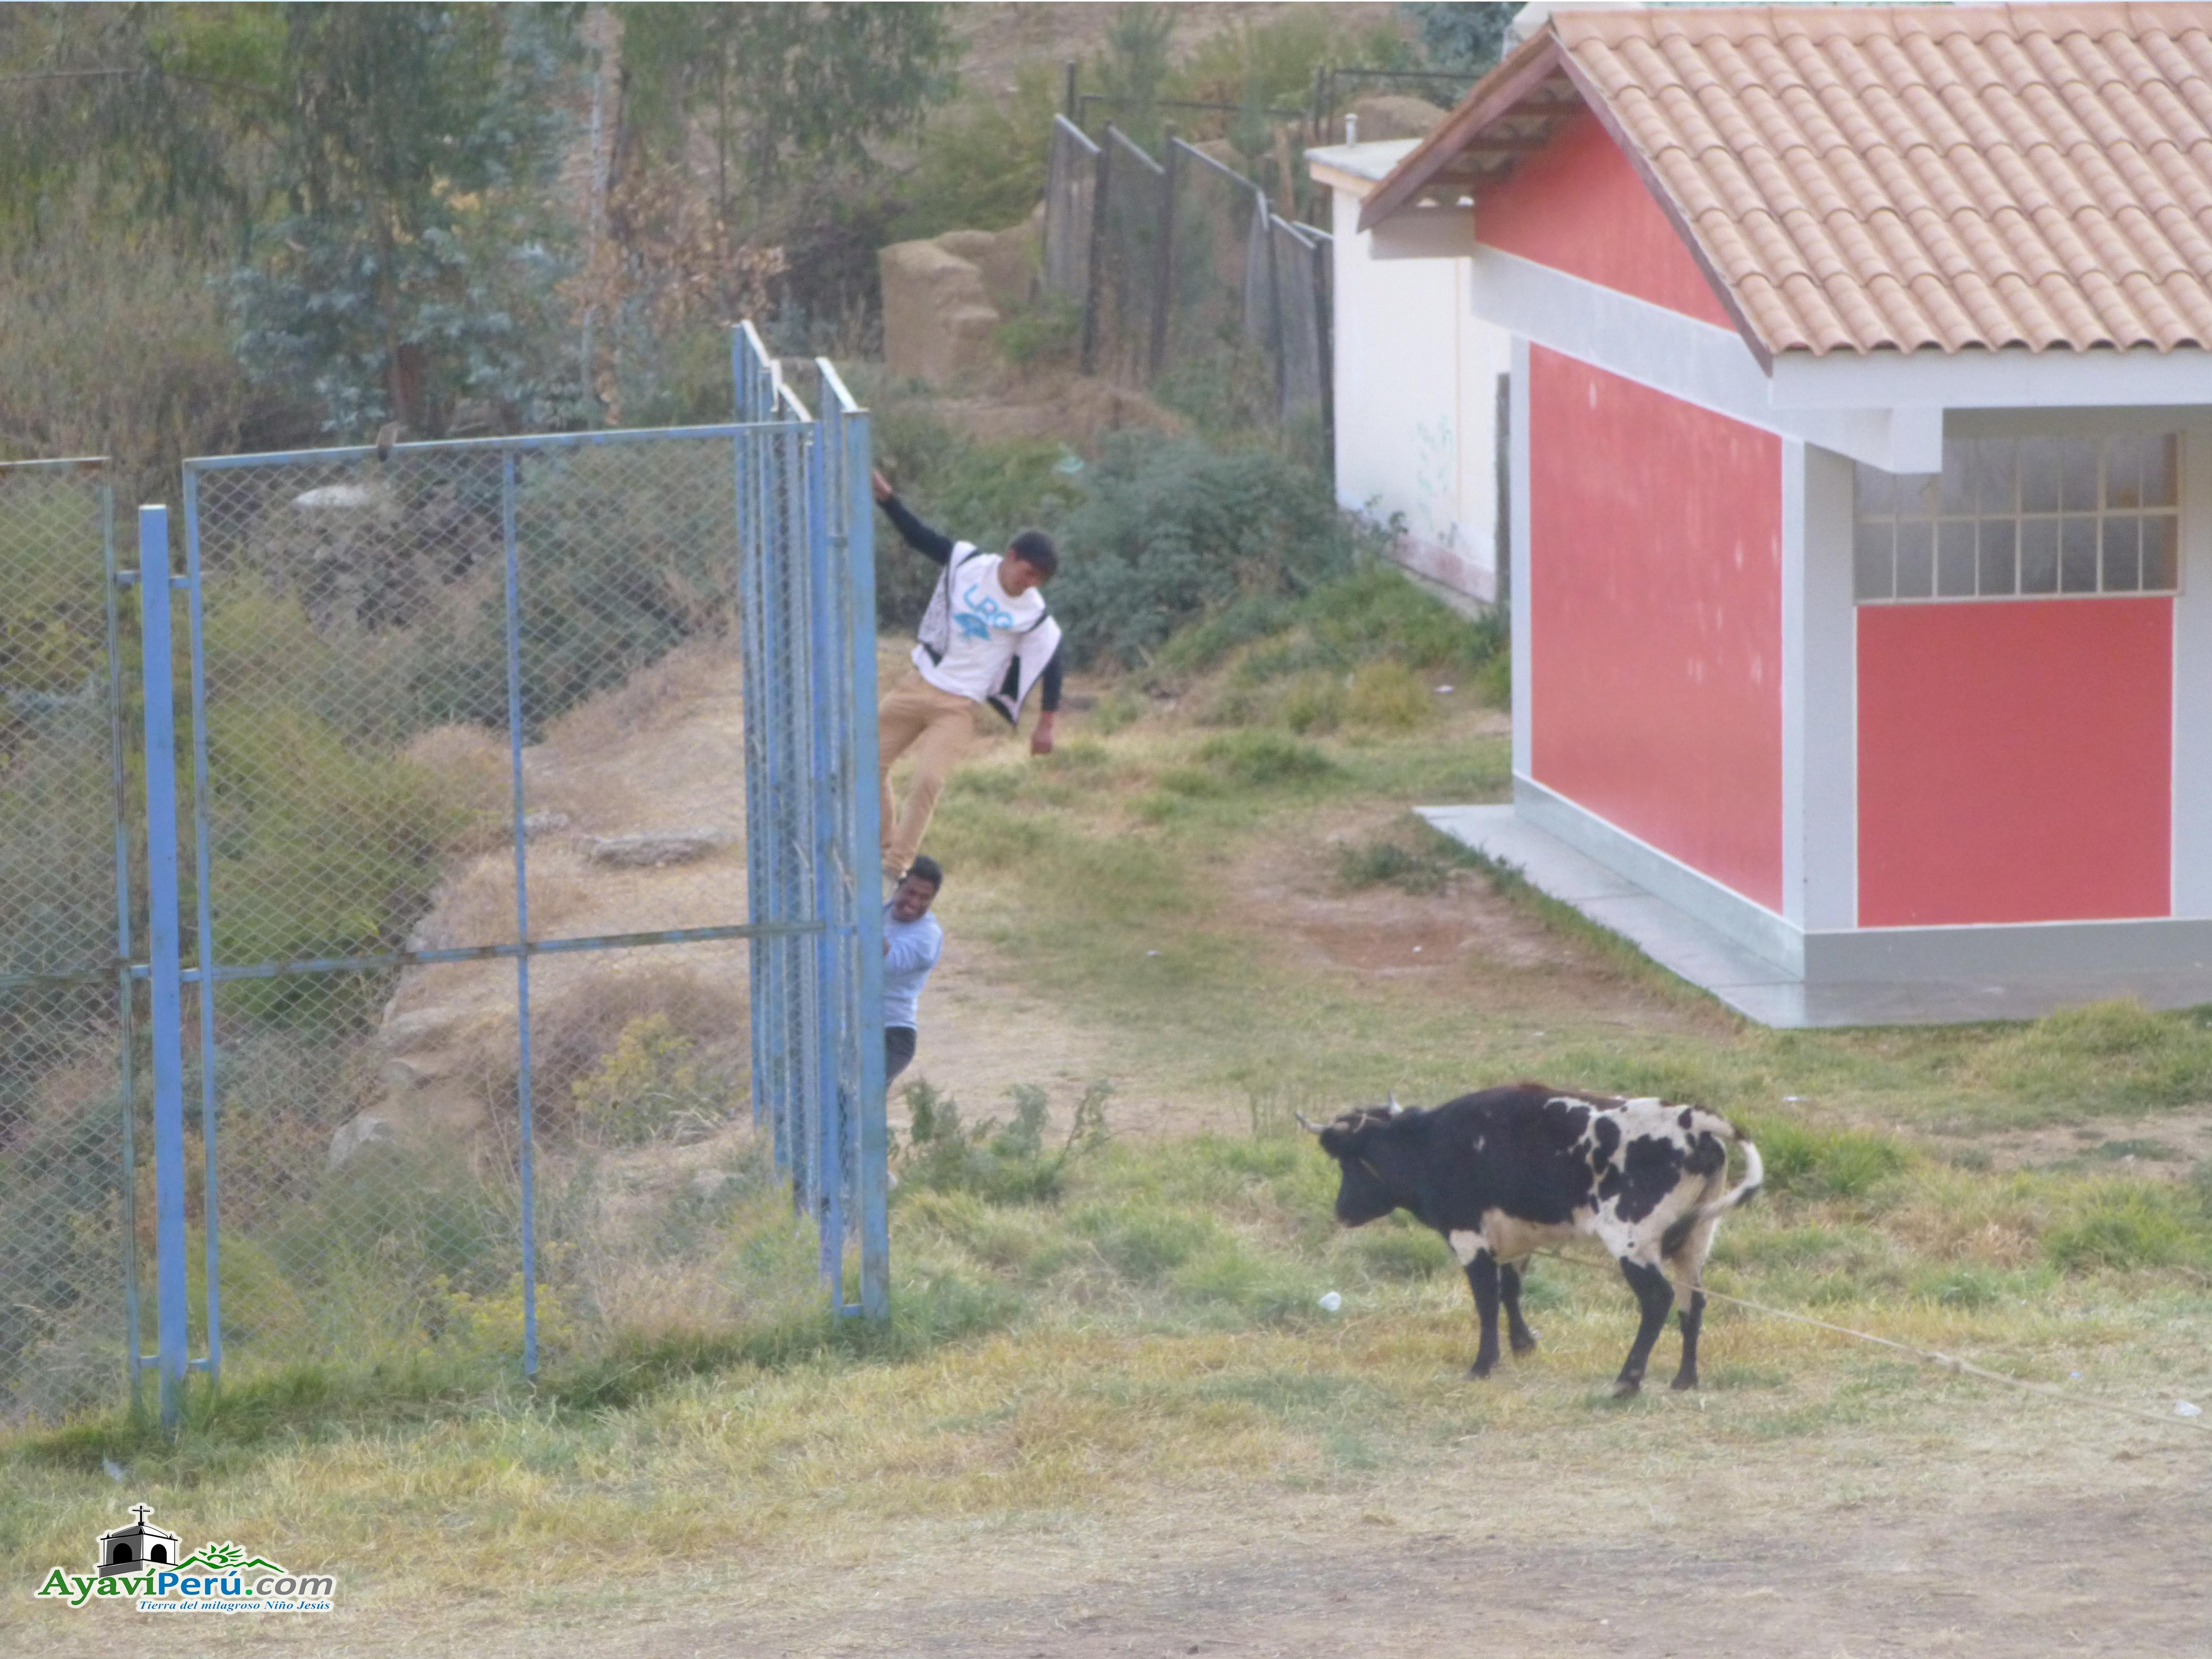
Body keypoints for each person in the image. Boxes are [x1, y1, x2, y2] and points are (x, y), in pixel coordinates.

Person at [871, 468, 1062, 882]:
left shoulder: (1032, 611)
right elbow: (919, 538)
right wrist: (887, 499)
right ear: (1011, 556)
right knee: (867, 762)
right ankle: (883, 848)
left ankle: (896, 866)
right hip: (918, 683)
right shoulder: (969, 563)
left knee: (928, 780)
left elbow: (1053, 658)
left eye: (1039, 579)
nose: (1030, 583)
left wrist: (1046, 724)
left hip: (958, 707)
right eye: (1028, 572)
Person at [882, 856, 945, 1084]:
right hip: (852, 1027)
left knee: (860, 1095)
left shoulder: (928, 936)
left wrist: (862, 915)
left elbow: (887, 962)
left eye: (924, 898)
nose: (914, 903)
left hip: (892, 1035)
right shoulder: (883, 912)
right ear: (898, 887)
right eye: (910, 892)